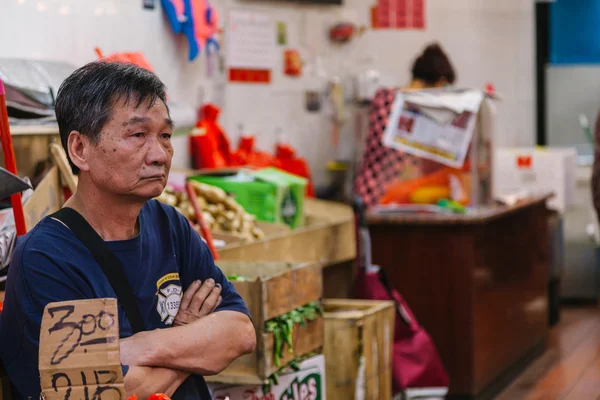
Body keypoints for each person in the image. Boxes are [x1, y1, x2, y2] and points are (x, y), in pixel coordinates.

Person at [0, 61, 256, 399]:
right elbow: (108, 391)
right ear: (80, 149)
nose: (160, 154)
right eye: (138, 135)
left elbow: (240, 333)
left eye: (165, 135)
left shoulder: (170, 225)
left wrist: (142, 345)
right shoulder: (46, 258)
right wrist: (188, 338)